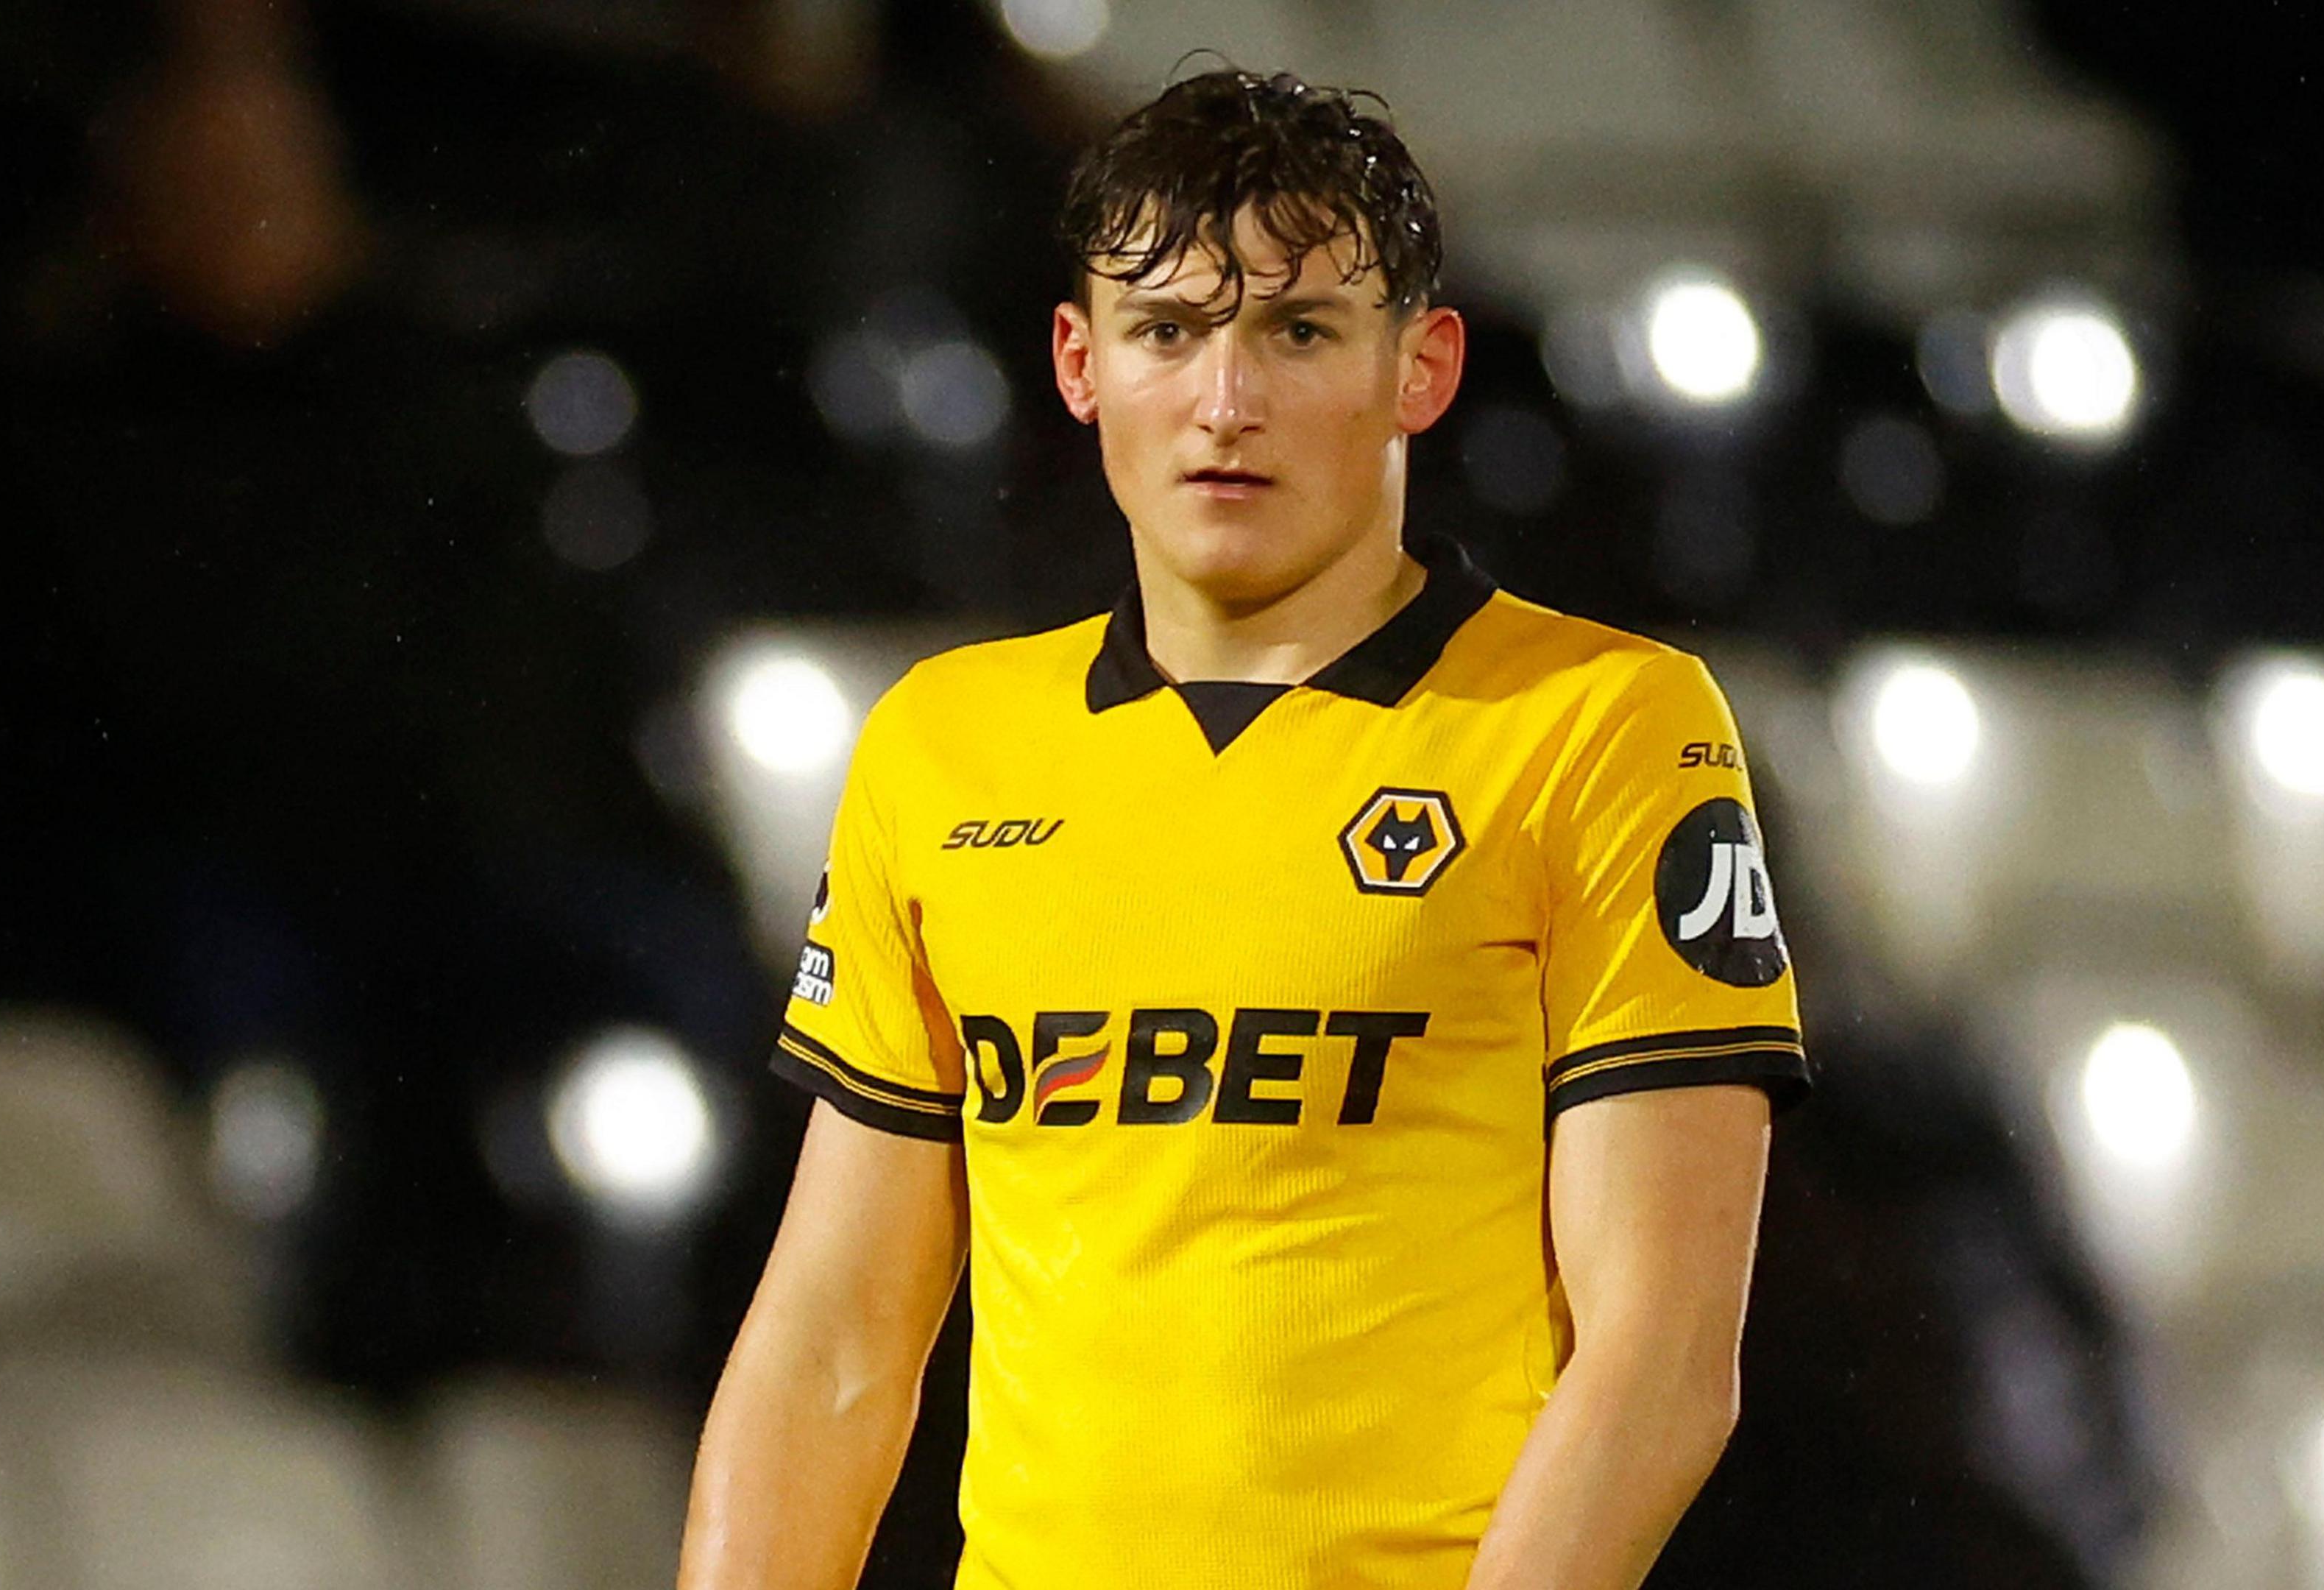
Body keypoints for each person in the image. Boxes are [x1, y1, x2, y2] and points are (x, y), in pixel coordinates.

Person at [678, 68, 1809, 1590]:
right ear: (1079, 364)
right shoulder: (941, 752)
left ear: (1423, 365)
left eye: (1298, 330)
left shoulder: (1601, 727)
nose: (1226, 402)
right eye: (1167, 330)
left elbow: (1664, 1356)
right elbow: (832, 1343)